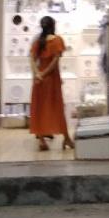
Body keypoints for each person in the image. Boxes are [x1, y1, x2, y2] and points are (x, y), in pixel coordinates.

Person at [29, 16, 75, 151]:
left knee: (39, 109)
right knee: (57, 108)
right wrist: (44, 74)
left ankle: (42, 141)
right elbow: (55, 61)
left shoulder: (38, 41)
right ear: (53, 26)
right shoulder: (57, 40)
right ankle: (66, 138)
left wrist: (38, 74)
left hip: (39, 80)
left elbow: (31, 59)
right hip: (52, 79)